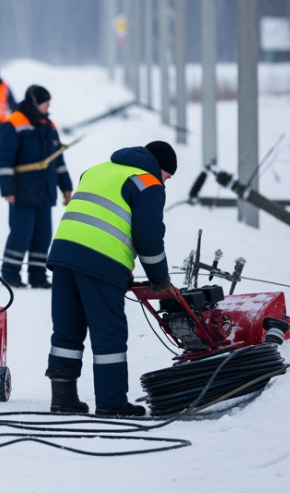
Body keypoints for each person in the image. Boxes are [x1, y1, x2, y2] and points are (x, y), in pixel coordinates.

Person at [45, 141, 177, 417]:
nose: (165, 183)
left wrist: (122, 268)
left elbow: (101, 217)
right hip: (100, 260)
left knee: (67, 328)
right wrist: (160, 280)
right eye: (167, 177)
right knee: (109, 332)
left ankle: (63, 399)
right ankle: (111, 402)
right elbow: (149, 240)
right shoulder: (147, 182)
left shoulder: (97, 170)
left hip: (64, 253)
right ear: (160, 168)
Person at [0, 85, 73, 290]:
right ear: (34, 102)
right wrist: (7, 190)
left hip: (45, 192)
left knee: (43, 236)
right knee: (21, 234)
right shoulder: (14, 124)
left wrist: (66, 187)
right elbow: (4, 159)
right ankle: (10, 274)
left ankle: (37, 275)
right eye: (45, 101)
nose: (48, 105)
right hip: (22, 192)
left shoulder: (49, 125)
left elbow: (58, 160)